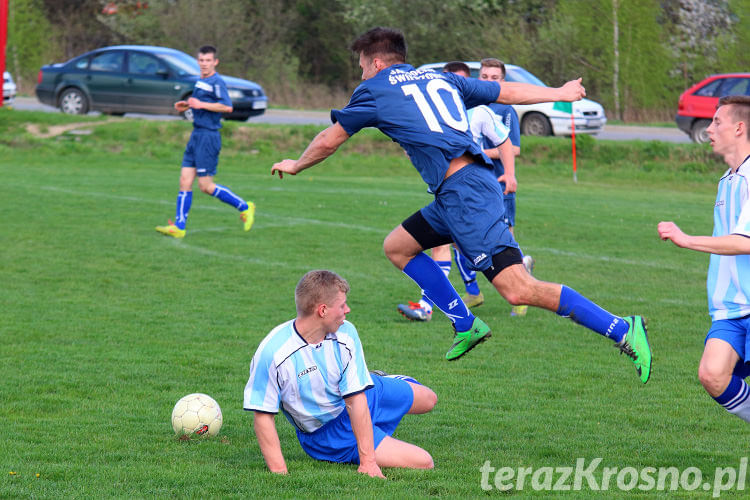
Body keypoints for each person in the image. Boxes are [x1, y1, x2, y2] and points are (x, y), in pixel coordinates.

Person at [271, 27, 651, 384]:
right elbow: (503, 92)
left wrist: (297, 163)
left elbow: (330, 139)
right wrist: (559, 91)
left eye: (362, 67)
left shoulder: (374, 90)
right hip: (458, 193)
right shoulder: (441, 78)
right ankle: (466, 324)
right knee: (398, 247)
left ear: (377, 63)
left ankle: (622, 328)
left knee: (518, 289)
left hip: (466, 195)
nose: (362, 75)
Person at [244, 270, 437, 477]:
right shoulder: (273, 353)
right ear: (323, 310)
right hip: (332, 433)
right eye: (342, 305)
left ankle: (364, 380)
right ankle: (367, 411)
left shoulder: (346, 331)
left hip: (361, 395)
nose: (348, 310)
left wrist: (368, 461)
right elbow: (263, 416)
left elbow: (356, 399)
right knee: (424, 461)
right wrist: (279, 472)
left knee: (429, 399)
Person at [397, 61, 517, 321]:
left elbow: (508, 143)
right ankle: (431, 307)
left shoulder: (480, 112)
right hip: (447, 192)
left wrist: (508, 173)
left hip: (478, 193)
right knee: (434, 247)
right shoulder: (432, 114)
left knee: (494, 262)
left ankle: (512, 279)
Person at [658, 95, 750, 421]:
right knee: (712, 374)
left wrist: (686, 240)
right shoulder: (728, 179)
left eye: (717, 122)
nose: (709, 129)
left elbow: (745, 242)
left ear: (739, 128)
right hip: (731, 309)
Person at [156, 45, 255, 238]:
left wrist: (200, 104)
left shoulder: (217, 81)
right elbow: (201, 104)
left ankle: (245, 206)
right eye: (201, 60)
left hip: (209, 137)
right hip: (196, 135)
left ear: (215, 62)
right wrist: (186, 105)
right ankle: (179, 227)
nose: (204, 64)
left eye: (208, 60)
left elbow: (227, 107)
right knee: (184, 181)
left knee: (206, 186)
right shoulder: (201, 81)